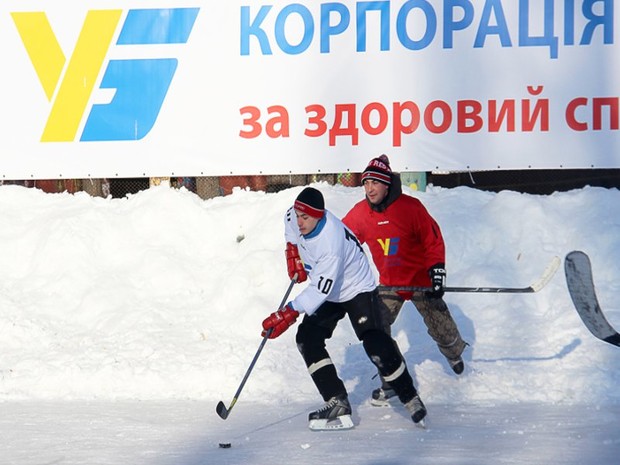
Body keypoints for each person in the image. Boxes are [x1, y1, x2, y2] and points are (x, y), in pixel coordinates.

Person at [261, 187, 427, 430]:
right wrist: (292, 251)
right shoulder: (295, 217)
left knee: (375, 344)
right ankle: (336, 400)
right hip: (328, 286)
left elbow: (320, 290)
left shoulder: (331, 241)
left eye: (305, 218)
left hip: (355, 287)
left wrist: (289, 311)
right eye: (298, 216)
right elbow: (289, 224)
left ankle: (409, 395)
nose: (299, 222)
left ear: (319, 215)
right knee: (307, 338)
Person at [342, 154, 467, 407]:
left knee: (441, 326)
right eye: (366, 184)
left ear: (387, 184)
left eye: (375, 183)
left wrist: (437, 271)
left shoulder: (411, 208)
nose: (369, 189)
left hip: (421, 280)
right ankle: (390, 380)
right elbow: (342, 239)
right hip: (390, 283)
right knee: (377, 328)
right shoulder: (361, 213)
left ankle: (454, 353)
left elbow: (432, 240)